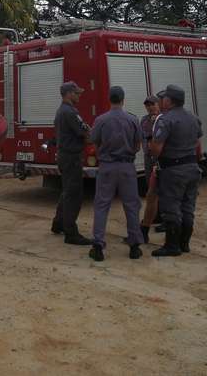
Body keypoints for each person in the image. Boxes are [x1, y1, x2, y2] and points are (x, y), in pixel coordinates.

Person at [88, 86, 144, 261]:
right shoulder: (133, 120)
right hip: (127, 167)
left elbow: (94, 142)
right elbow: (138, 145)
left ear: (109, 99)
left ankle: (98, 245)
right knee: (131, 205)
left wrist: (103, 155)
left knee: (102, 205)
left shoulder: (101, 120)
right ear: (123, 99)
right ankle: (135, 246)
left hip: (107, 166)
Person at [149, 84, 203, 257]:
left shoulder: (166, 119)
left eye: (164, 98)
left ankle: (172, 246)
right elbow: (197, 145)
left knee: (171, 207)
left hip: (173, 170)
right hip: (192, 167)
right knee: (188, 207)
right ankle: (184, 243)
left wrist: (152, 148)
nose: (161, 100)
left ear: (169, 101)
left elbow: (156, 149)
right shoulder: (193, 118)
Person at [51, 81, 93, 245]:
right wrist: (90, 133)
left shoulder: (61, 111)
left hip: (64, 155)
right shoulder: (70, 112)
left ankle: (59, 223)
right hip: (71, 157)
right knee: (74, 195)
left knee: (67, 191)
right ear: (68, 94)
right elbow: (84, 132)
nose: (79, 96)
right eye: (76, 93)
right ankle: (71, 233)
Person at [139, 95, 161, 244]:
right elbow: (142, 137)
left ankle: (164, 216)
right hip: (149, 157)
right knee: (150, 186)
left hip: (160, 157)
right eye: (147, 105)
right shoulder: (144, 120)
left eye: (152, 104)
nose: (150, 107)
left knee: (162, 188)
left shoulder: (163, 119)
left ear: (158, 104)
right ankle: (155, 215)